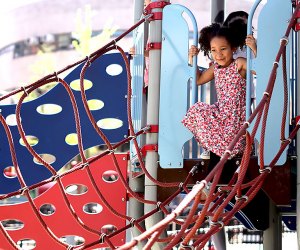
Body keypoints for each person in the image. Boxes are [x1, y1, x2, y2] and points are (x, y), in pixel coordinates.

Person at [182, 22, 251, 160]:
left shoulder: (239, 63)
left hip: (236, 117)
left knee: (230, 141)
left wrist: (254, 49)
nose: (218, 54)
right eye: (214, 50)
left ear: (233, 48)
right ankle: (212, 147)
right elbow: (198, 79)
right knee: (197, 109)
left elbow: (261, 69)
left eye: (223, 49)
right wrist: (192, 59)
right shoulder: (215, 67)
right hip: (221, 113)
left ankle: (220, 149)